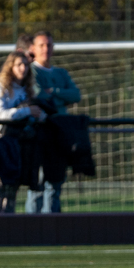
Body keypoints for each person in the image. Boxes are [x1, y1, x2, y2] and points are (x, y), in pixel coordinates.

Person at [25, 31, 81, 213]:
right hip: (40, 133)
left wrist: (54, 91)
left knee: (55, 183)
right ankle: (32, 225)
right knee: (38, 183)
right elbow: (39, 95)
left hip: (60, 133)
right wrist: (59, 98)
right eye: (41, 45)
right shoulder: (31, 71)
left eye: (49, 45)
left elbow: (76, 95)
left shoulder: (61, 73)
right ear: (33, 48)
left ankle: (52, 224)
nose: (45, 49)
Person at [0, 50, 46, 213]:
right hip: (4, 142)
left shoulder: (28, 89)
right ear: (10, 67)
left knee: (13, 188)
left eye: (26, 65)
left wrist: (40, 114)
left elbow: (39, 113)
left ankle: (8, 223)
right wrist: (26, 111)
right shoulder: (1, 87)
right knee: (0, 187)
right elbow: (1, 115)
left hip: (23, 143)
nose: (23, 68)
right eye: (19, 65)